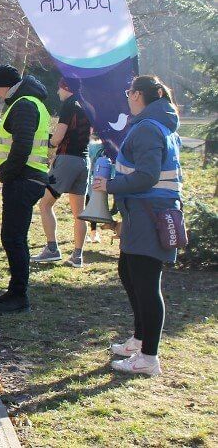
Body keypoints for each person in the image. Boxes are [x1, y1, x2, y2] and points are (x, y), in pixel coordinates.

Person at [95, 75, 181, 377]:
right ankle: (139, 340)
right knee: (129, 274)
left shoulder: (147, 128)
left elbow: (147, 175)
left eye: (130, 92)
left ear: (141, 95)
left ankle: (148, 357)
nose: (128, 97)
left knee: (146, 284)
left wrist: (111, 185)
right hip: (144, 213)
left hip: (149, 214)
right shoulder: (158, 125)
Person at [0, 65, 50, 313]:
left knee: (13, 238)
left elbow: (22, 146)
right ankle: (16, 292)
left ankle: (19, 295)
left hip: (22, 179)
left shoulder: (24, 105)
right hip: (27, 177)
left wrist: (7, 173)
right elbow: (10, 140)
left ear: (5, 86)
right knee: (15, 237)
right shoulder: (27, 103)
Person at [32, 77, 92, 267]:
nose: (58, 93)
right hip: (84, 161)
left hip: (67, 160)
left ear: (66, 88)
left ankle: (51, 248)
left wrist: (46, 141)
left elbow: (58, 138)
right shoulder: (86, 105)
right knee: (79, 213)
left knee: (45, 204)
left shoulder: (69, 105)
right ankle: (77, 255)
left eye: (60, 89)